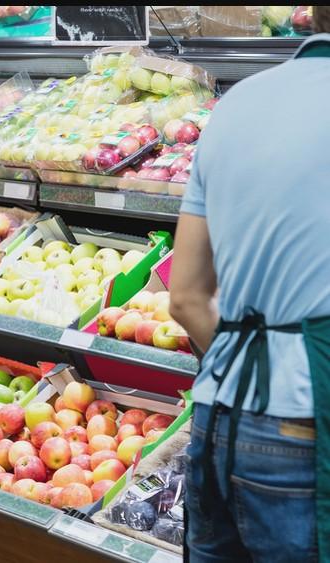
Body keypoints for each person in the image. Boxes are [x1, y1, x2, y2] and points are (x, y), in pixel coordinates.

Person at [170, 8, 330, 562]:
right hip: (310, 428)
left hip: (219, 418)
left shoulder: (236, 104)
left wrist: (257, 363)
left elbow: (186, 297)